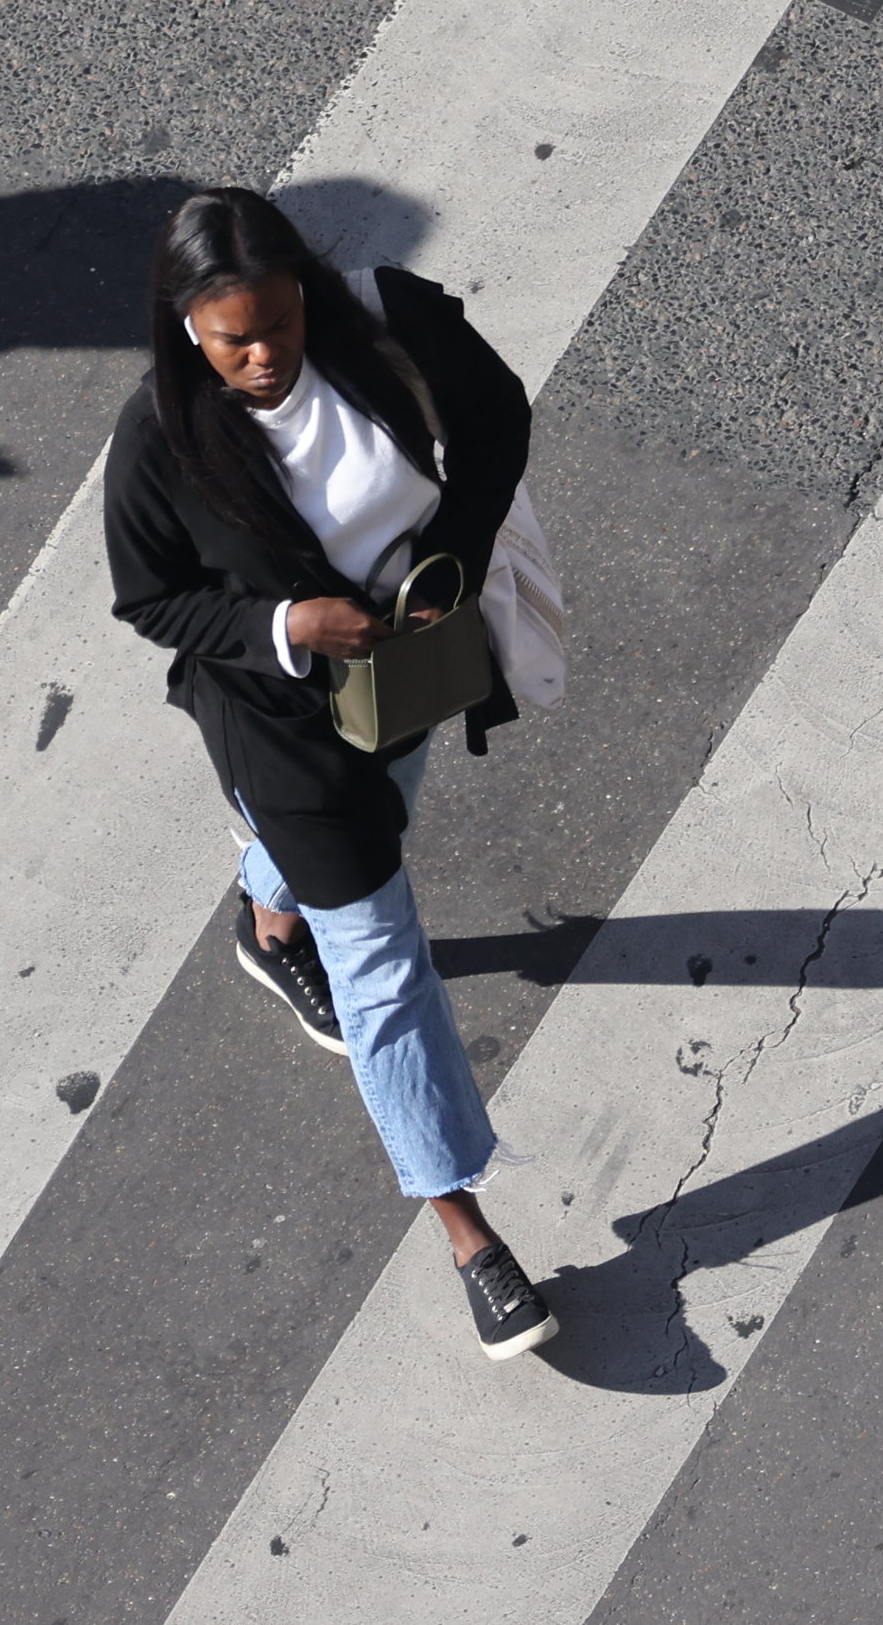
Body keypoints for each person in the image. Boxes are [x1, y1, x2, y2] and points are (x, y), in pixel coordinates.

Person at [104, 187, 558, 1360]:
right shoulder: (158, 440)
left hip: (407, 675)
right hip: (281, 729)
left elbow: (497, 417)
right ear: (184, 330)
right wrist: (284, 627)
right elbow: (150, 598)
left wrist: (448, 554)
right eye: (232, 340)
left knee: (388, 820)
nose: (262, 357)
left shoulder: (389, 323)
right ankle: (465, 1226)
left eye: (279, 326)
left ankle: (264, 923)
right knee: (383, 965)